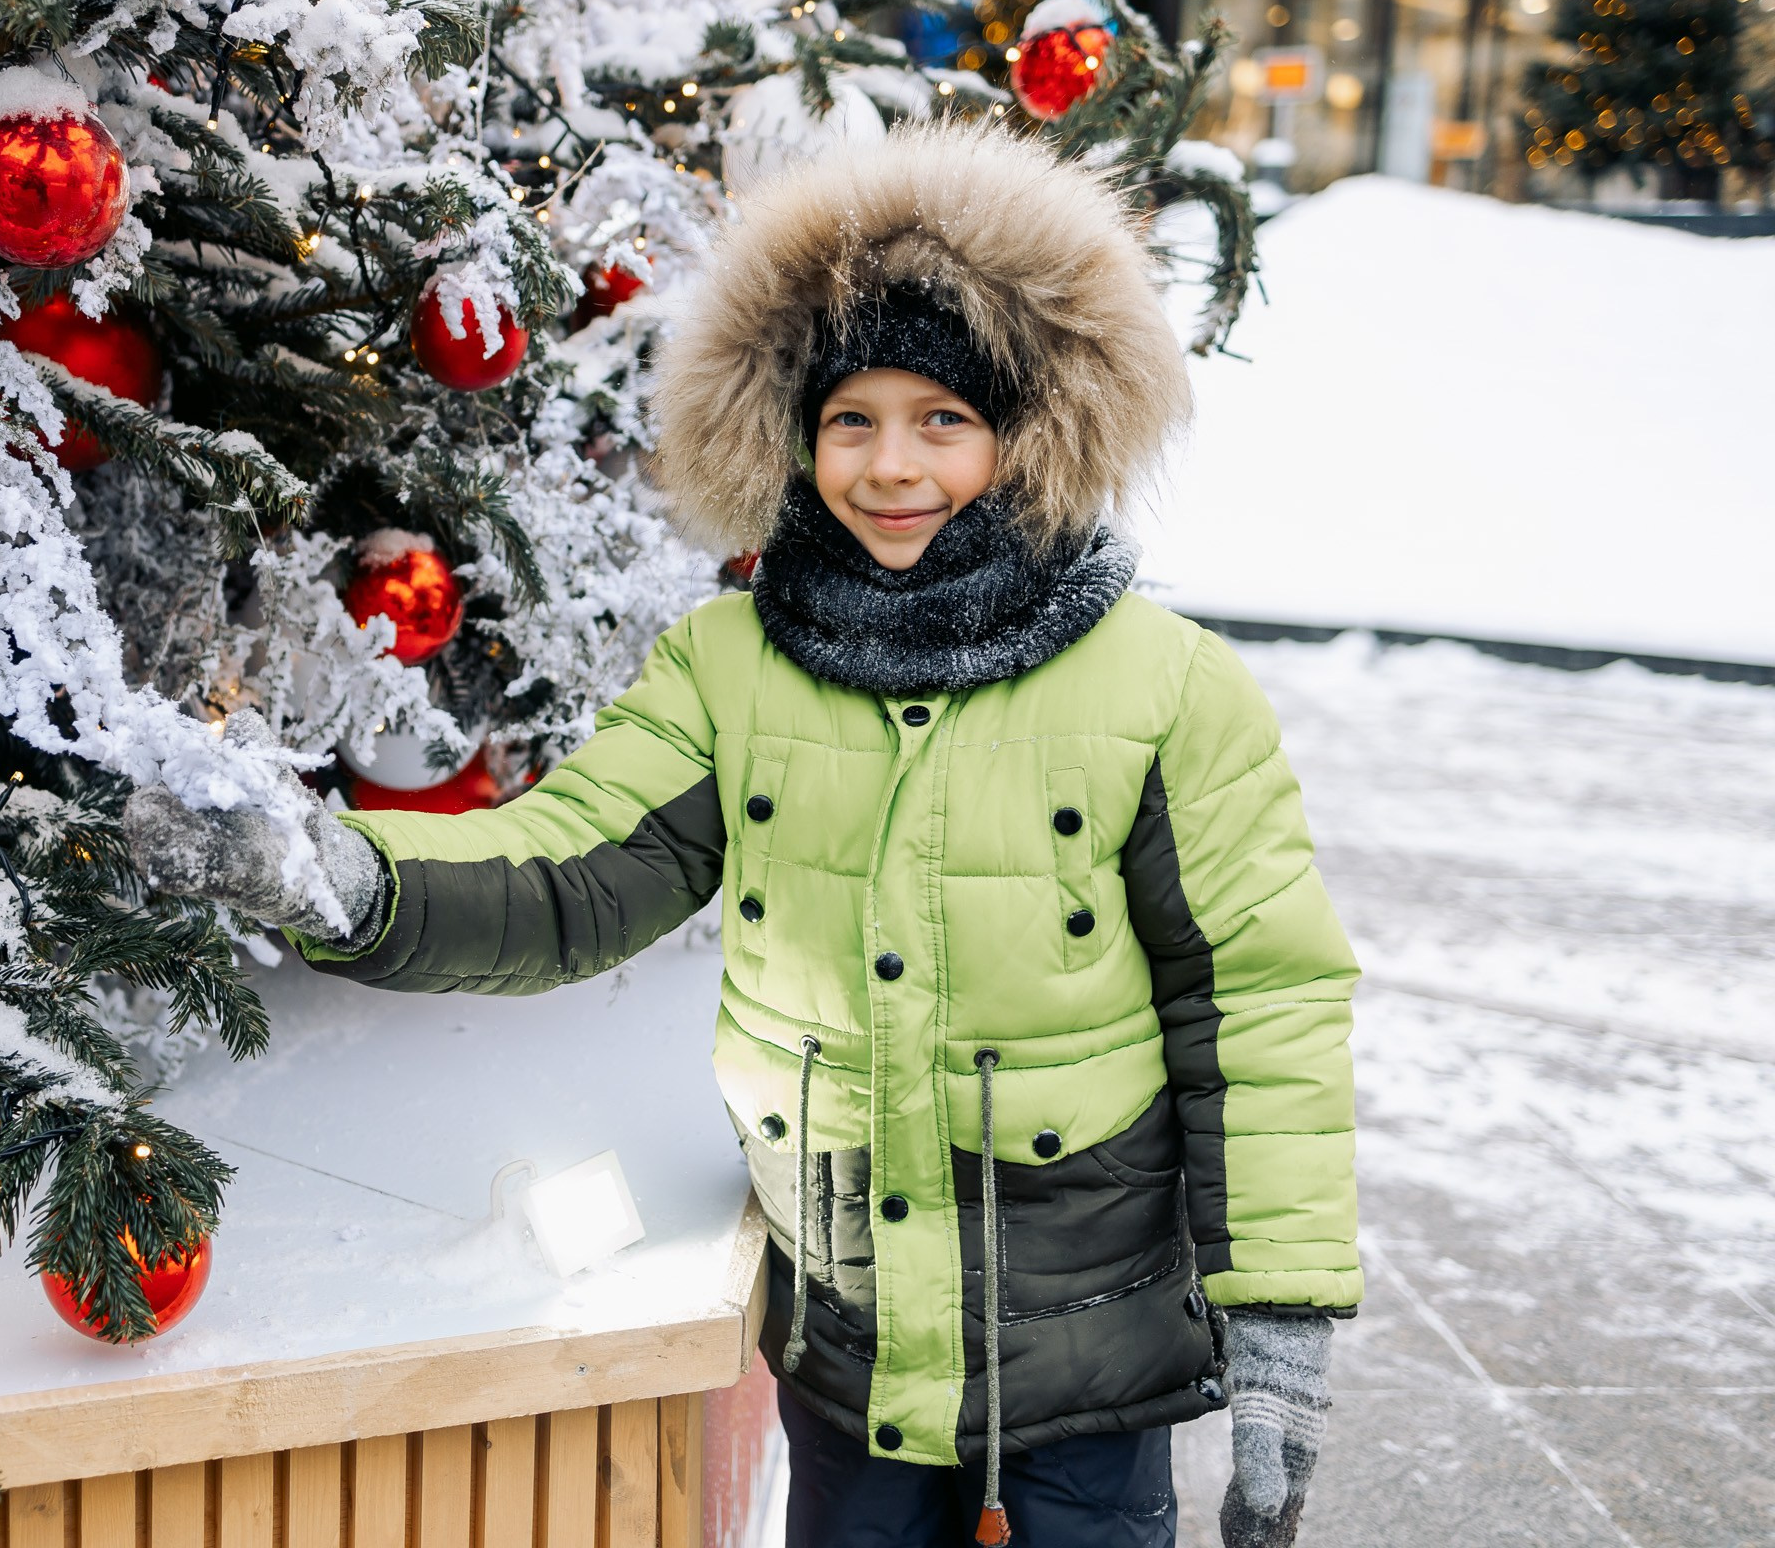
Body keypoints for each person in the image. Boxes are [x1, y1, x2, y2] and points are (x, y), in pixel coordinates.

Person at [124, 124, 1360, 1548]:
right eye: (852, 421)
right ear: (796, 435)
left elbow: (1263, 1008)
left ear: (1027, 432)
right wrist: (344, 878)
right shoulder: (733, 668)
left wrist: (1282, 1332)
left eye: (942, 419)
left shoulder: (1165, 687)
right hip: (850, 1354)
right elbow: (573, 867)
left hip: (1085, 1375)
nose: (892, 465)